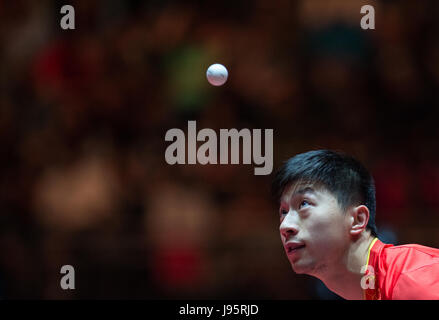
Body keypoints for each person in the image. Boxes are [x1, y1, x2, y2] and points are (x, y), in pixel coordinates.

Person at [272, 150, 439, 300]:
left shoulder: (416, 281)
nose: (285, 226)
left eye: (304, 204)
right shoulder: (373, 290)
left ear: (357, 219)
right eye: (284, 212)